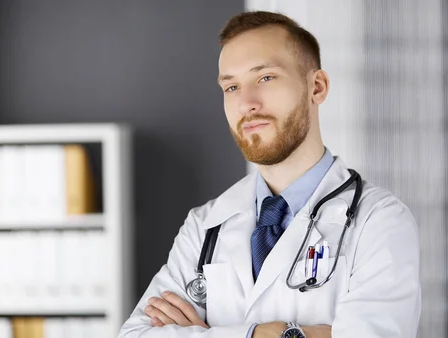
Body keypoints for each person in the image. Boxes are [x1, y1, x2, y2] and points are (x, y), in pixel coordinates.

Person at [118, 10, 421, 338]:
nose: (246, 103)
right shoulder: (204, 226)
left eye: (265, 78)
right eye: (231, 86)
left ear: (316, 87)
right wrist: (266, 334)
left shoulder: (379, 221)